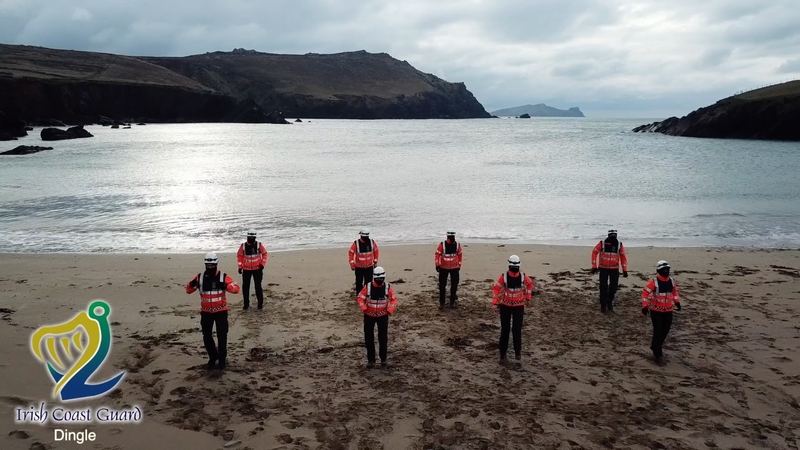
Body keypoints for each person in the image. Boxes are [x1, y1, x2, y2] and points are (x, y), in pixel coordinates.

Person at [186, 252, 240, 370]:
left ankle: (222, 360)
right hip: (206, 312)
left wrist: (227, 286)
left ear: (216, 264)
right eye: (208, 265)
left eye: (212, 265)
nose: (210, 267)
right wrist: (191, 284)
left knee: (222, 336)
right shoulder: (199, 278)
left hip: (221, 311)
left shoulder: (223, 277)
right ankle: (213, 356)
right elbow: (188, 290)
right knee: (207, 336)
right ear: (205, 264)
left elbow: (237, 289)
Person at [492, 255, 535, 363]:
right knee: (505, 330)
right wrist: (495, 301)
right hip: (505, 306)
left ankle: (517, 352)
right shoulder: (504, 277)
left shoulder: (523, 277)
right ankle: (502, 354)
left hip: (518, 306)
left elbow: (530, 284)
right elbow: (496, 288)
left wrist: (528, 298)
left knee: (517, 330)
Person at [641, 260, 682, 365]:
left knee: (665, 331)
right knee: (658, 331)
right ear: (658, 270)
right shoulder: (653, 282)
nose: (666, 271)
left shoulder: (672, 281)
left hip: (668, 311)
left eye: (667, 269)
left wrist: (677, 302)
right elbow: (645, 293)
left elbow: (674, 292)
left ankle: (655, 345)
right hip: (656, 311)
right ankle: (657, 353)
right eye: (664, 270)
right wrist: (645, 306)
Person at [356, 266, 397, 368]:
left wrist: (390, 310)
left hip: (383, 316)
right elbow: (360, 298)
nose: (380, 281)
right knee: (368, 338)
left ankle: (383, 359)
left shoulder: (388, 287)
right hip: (369, 316)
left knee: (383, 338)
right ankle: (371, 360)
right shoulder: (368, 287)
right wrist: (364, 308)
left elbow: (393, 300)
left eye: (381, 279)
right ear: (374, 278)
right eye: (378, 279)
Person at [590, 229, 628, 312]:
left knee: (613, 287)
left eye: (615, 235)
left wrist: (625, 270)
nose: (613, 237)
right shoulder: (602, 243)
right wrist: (594, 266)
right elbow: (594, 252)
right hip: (603, 268)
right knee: (603, 287)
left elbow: (623, 257)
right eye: (612, 235)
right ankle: (603, 305)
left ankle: (610, 302)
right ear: (608, 235)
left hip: (614, 269)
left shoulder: (619, 244)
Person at [237, 231, 268, 310]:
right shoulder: (243, 246)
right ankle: (246, 304)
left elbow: (264, 254)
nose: (251, 240)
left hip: (257, 269)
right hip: (246, 269)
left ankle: (260, 304)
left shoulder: (259, 245)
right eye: (250, 238)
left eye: (253, 238)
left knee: (258, 286)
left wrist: (262, 264)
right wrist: (240, 267)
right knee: (245, 287)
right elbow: (239, 256)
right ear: (247, 238)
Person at [435, 230, 463, 309]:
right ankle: (442, 303)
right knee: (442, 285)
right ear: (448, 237)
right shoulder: (442, 245)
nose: (452, 239)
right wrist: (437, 265)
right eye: (451, 237)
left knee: (454, 285)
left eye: (453, 237)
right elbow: (437, 254)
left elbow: (460, 255)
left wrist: (459, 265)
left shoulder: (457, 245)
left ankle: (452, 302)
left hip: (455, 268)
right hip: (443, 268)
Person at [348, 228, 380, 295]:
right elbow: (351, 253)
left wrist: (375, 261)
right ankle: (359, 295)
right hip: (359, 267)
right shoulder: (356, 243)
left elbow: (376, 251)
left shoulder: (372, 242)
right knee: (359, 282)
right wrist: (352, 264)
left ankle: (367, 294)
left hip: (369, 266)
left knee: (368, 282)